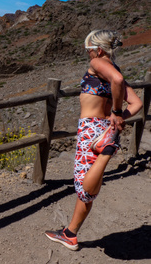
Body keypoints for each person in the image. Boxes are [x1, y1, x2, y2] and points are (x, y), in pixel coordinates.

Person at [45, 30, 143, 250]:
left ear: (98, 49)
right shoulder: (113, 70)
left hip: (90, 129)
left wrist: (117, 112)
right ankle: (70, 233)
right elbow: (137, 104)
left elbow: (117, 81)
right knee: (91, 184)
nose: (89, 55)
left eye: (89, 50)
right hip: (104, 130)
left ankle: (107, 150)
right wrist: (116, 121)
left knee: (84, 186)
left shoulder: (99, 63)